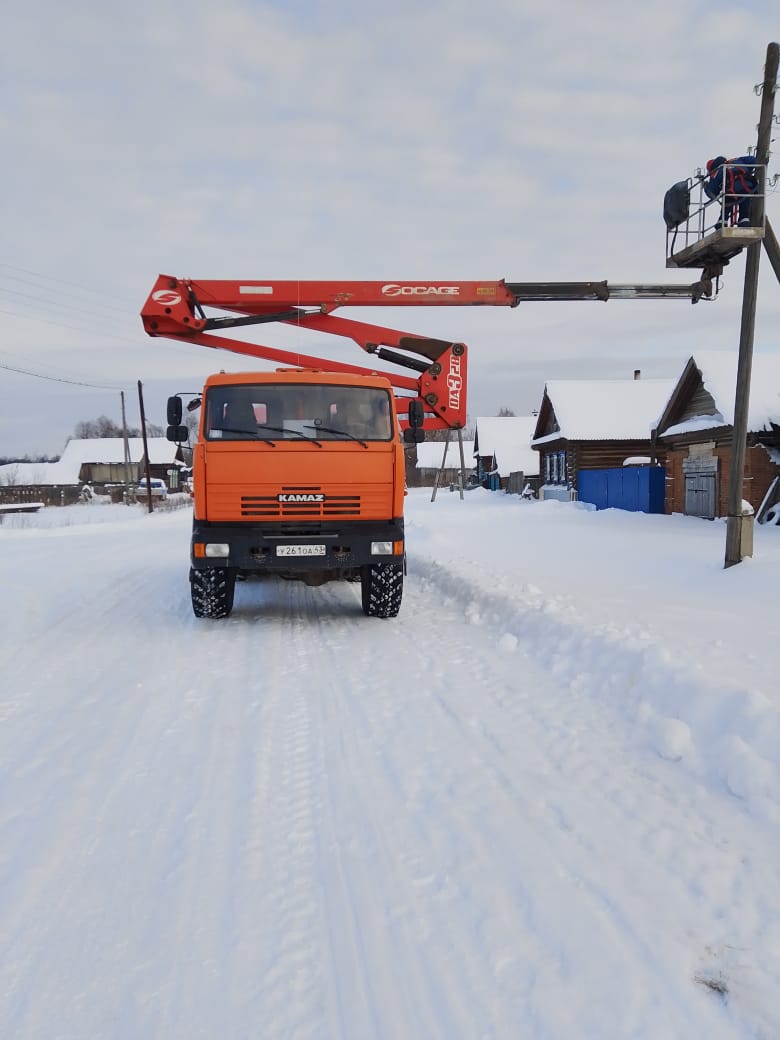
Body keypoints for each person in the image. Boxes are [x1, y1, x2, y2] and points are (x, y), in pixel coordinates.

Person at [703, 155, 758, 229]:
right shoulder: (736, 161)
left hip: (731, 191)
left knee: (727, 199)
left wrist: (706, 187)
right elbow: (752, 160)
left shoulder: (718, 170)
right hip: (747, 187)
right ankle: (744, 220)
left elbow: (713, 192)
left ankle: (722, 221)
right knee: (745, 201)